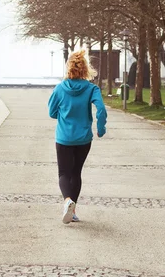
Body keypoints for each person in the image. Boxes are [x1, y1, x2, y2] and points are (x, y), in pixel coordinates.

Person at [48, 49, 107, 224]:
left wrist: (64, 113)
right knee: (76, 172)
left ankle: (67, 201)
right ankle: (72, 212)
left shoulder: (60, 88)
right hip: (83, 138)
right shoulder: (91, 88)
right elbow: (101, 109)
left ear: (69, 68)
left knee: (64, 173)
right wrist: (101, 128)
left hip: (64, 138)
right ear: (85, 69)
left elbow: (51, 112)